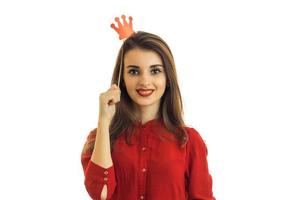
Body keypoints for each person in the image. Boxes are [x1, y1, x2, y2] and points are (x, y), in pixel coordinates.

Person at [81, 31, 215, 200]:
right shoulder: (99, 138)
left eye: (155, 71)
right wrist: (103, 121)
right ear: (122, 79)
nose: (144, 81)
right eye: (134, 72)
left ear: (168, 78)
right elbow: (101, 194)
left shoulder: (189, 141)